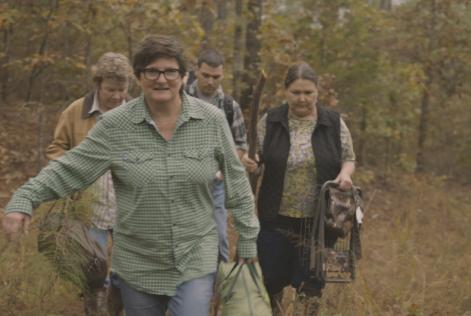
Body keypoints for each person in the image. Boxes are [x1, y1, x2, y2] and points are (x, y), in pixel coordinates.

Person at [2, 34, 259, 316]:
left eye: (170, 71)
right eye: (152, 71)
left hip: (194, 258)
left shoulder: (211, 120)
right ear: (139, 76)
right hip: (138, 264)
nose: (162, 80)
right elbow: (70, 168)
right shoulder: (115, 125)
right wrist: (25, 198)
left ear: (184, 76)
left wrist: (247, 236)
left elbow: (236, 180)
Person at [252, 62, 356, 315]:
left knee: (312, 281)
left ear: (317, 91)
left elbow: (348, 157)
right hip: (276, 217)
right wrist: (250, 162)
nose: (302, 98)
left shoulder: (332, 121)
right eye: (296, 92)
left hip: (320, 221)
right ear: (285, 92)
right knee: (271, 277)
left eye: (308, 92)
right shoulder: (272, 120)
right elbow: (255, 158)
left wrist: (345, 174)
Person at [45, 52, 133, 315]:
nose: (117, 96)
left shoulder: (137, 113)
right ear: (98, 84)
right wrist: (71, 171)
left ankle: (116, 309)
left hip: (127, 205)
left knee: (124, 270)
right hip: (89, 205)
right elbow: (56, 147)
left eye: (122, 89)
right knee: (94, 269)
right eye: (110, 90)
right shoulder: (76, 111)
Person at [185, 48, 250, 263]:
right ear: (197, 71)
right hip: (181, 179)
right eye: (206, 76)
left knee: (220, 238)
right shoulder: (179, 97)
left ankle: (220, 288)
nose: (211, 82)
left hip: (216, 184)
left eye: (216, 77)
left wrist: (224, 170)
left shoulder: (230, 106)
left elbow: (240, 145)